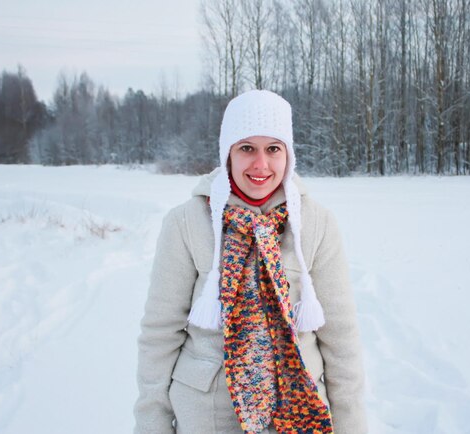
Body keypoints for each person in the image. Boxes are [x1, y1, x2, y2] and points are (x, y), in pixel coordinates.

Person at [134, 90, 366, 434]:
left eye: (273, 149)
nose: (261, 164)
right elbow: (159, 334)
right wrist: (151, 425)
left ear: (288, 154)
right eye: (247, 148)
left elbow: (341, 341)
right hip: (207, 418)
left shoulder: (316, 224)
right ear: (228, 153)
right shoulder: (186, 223)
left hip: (297, 417)